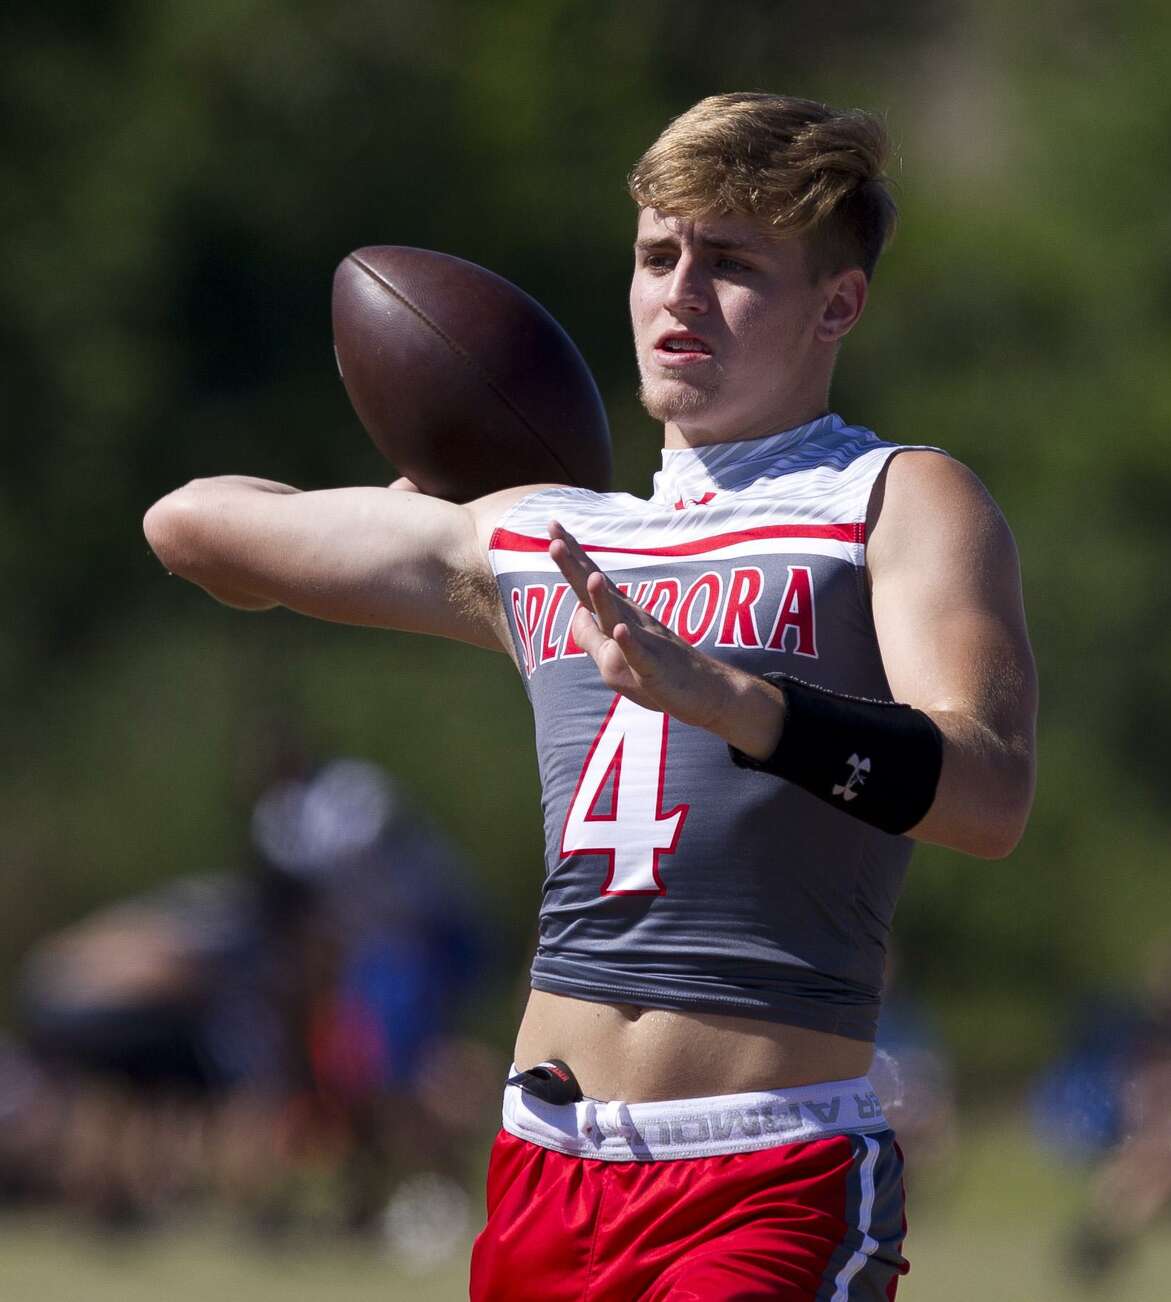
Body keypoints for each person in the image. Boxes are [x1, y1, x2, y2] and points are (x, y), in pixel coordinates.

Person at [143, 93, 1037, 1299]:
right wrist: (436, 490)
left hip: (765, 1169)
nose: (681, 292)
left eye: (731, 264)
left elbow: (987, 793)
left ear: (838, 302)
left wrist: (738, 701)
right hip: (546, 1165)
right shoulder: (543, 534)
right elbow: (194, 526)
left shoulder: (893, 498)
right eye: (658, 254)